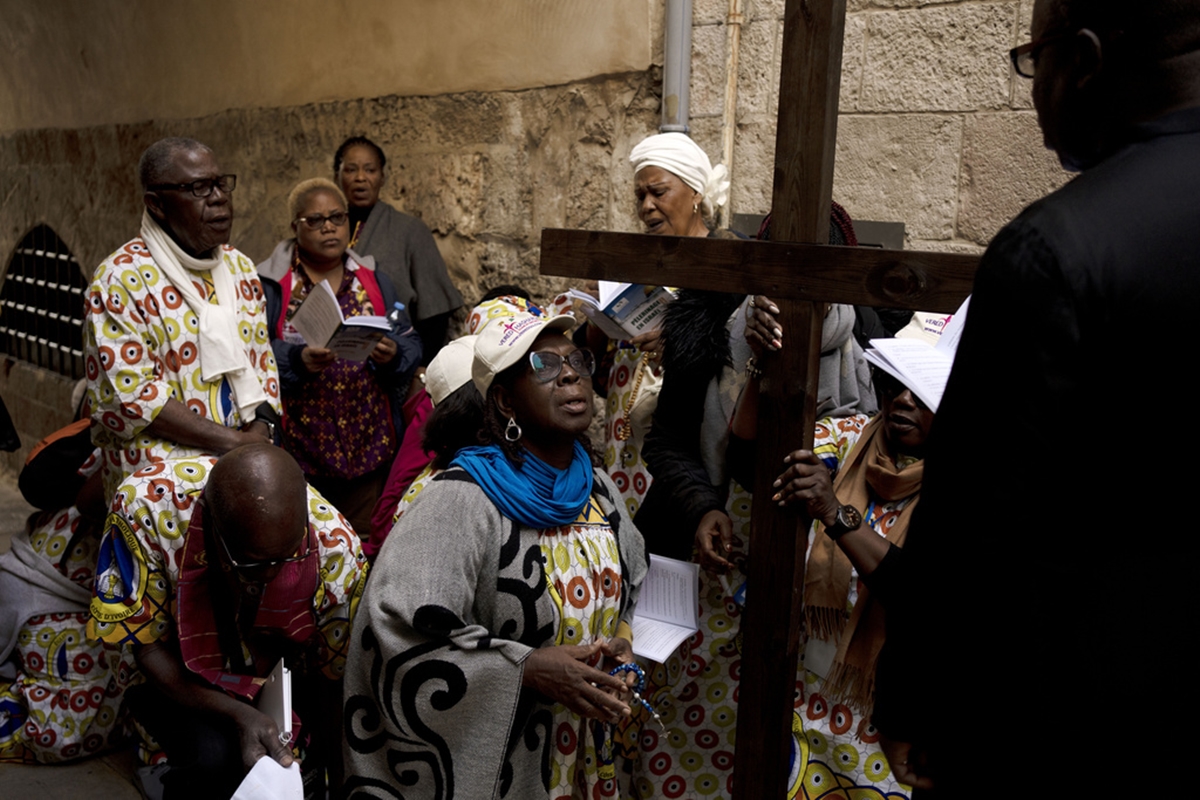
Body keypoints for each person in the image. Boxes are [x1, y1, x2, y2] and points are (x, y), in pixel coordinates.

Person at [873, 1, 1200, 796]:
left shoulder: (1055, 249)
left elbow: (976, 527)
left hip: (1074, 726)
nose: (1034, 94)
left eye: (1034, 62)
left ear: (1083, 62)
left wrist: (918, 705)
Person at [344, 312, 648, 798]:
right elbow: (397, 629)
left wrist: (621, 638)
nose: (570, 374)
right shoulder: (461, 500)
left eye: (577, 361)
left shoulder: (598, 490)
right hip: (501, 768)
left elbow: (632, 576)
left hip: (586, 760)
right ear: (505, 400)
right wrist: (524, 669)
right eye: (543, 365)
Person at [89, 444, 368, 799]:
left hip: (277, 671)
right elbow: (146, 647)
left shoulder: (335, 551)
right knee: (214, 760)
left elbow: (333, 676)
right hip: (174, 670)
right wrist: (240, 714)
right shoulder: (147, 507)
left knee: (297, 765)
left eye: (287, 559)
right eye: (253, 565)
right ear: (213, 535)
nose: (271, 576)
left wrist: (337, 780)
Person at [83, 138, 280, 499]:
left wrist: (262, 431)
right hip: (160, 470)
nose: (219, 197)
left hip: (246, 451)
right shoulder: (121, 279)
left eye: (221, 183)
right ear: (157, 205)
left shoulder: (240, 269)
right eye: (199, 187)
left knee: (324, 536)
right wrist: (236, 444)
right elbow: (133, 397)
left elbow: (262, 363)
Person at [257, 178, 421, 537]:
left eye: (337, 217)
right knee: (309, 545)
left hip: (369, 447)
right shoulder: (271, 285)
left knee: (364, 545)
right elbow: (254, 352)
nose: (328, 227)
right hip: (302, 450)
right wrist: (297, 360)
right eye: (315, 220)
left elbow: (409, 341)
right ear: (295, 227)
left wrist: (393, 355)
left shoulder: (375, 281)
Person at [334, 135, 463, 364]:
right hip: (331, 360)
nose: (361, 178)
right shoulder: (328, 232)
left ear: (382, 177)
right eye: (351, 170)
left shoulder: (410, 231)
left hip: (391, 360)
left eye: (370, 170)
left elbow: (435, 313)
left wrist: (420, 367)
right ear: (337, 176)